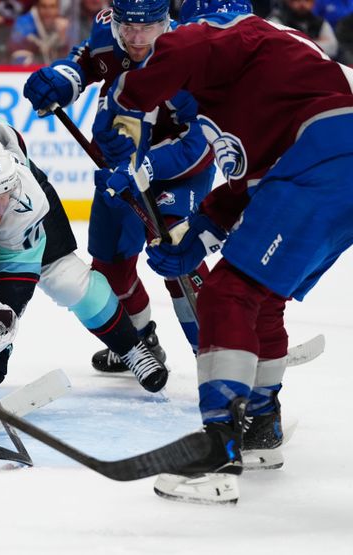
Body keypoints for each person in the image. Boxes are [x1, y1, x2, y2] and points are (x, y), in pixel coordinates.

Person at [103, 0, 353, 504]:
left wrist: (123, 112)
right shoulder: (256, 85)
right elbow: (244, 187)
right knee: (263, 297)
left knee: (226, 295)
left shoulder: (226, 31)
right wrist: (195, 234)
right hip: (321, 166)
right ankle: (261, 429)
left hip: (325, 158)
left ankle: (219, 452)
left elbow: (167, 61)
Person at [22, 0, 216, 374]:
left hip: (181, 168)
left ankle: (217, 354)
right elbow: (83, 62)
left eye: (147, 28)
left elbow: (200, 143)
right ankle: (141, 342)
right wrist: (61, 80)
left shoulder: (192, 55)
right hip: (120, 163)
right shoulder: (108, 32)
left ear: (166, 22)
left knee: (177, 249)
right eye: (128, 27)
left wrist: (146, 165)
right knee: (110, 263)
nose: (136, 38)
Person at [0, 109, 169, 393]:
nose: (0, 209)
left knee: (66, 281)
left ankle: (132, 347)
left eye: (5, 195)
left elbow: (15, 283)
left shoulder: (24, 197)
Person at [268, 0, 339, 58]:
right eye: (297, 0)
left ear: (313, 2)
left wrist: (296, 44)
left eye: (307, 0)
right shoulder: (276, 21)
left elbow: (333, 48)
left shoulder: (320, 22)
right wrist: (315, 42)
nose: (302, 3)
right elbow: (280, 49)